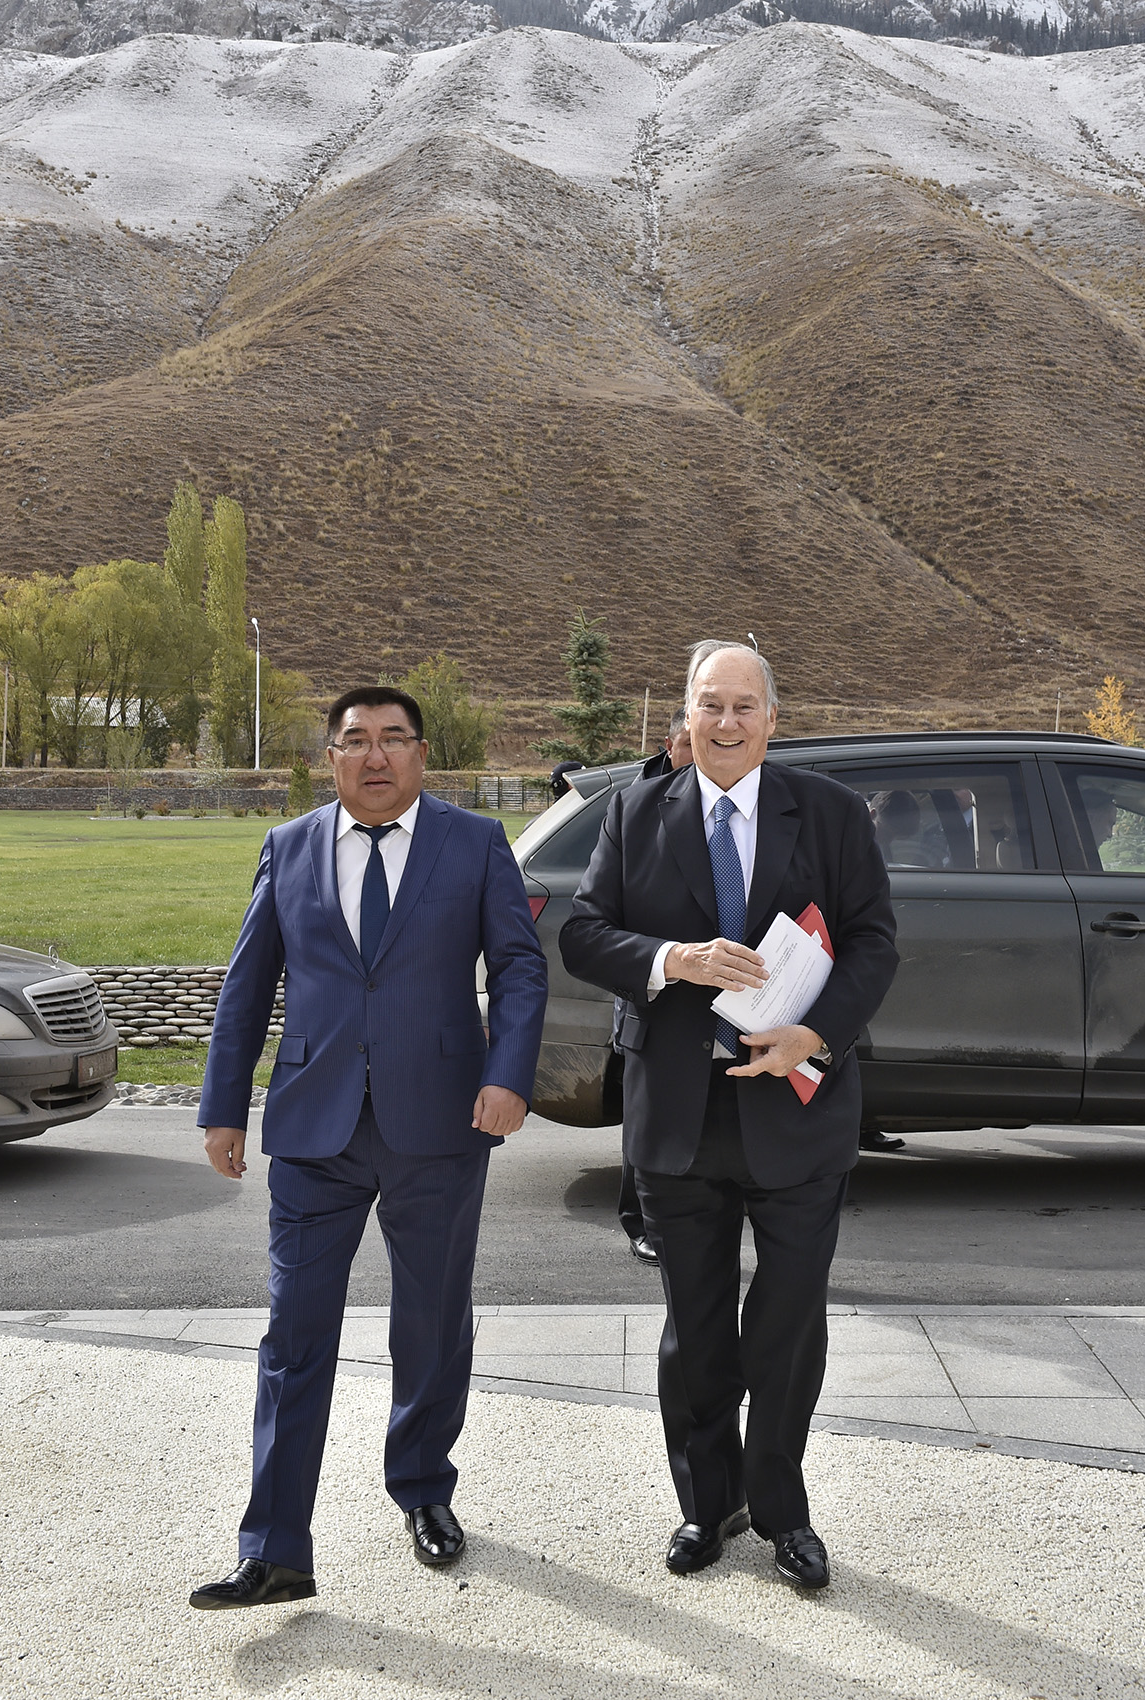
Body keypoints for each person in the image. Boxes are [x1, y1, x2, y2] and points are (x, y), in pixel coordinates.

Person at [191, 685, 548, 1610]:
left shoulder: (475, 844)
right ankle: (274, 1549)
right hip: (315, 1129)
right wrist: (223, 1107)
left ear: (423, 754)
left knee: (431, 1320)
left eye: (394, 738)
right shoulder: (289, 847)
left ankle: (423, 1488)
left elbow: (518, 966)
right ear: (332, 758)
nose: (376, 755)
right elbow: (247, 984)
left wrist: (509, 1074)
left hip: (442, 1122)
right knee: (292, 1334)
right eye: (356, 740)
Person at [560, 641, 897, 1592]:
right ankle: (708, 1506)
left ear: (772, 719)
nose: (727, 722)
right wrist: (675, 960)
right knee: (696, 1330)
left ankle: (783, 1512)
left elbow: (874, 943)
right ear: (687, 714)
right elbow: (583, 934)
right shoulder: (634, 812)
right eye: (711, 704)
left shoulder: (829, 813)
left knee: (787, 1326)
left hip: (796, 1109)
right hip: (678, 1116)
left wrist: (814, 1036)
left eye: (745, 706)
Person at [619, 709, 695, 1261]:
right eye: (688, 743)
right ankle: (639, 1220)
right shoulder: (636, 808)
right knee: (644, 1122)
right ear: (669, 746)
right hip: (647, 993)